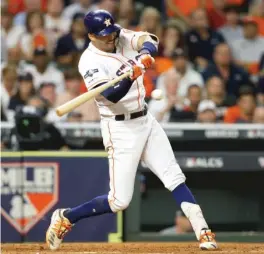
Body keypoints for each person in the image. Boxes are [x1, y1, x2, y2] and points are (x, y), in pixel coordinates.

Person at [46, 10, 218, 251]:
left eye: (111, 32)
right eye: (104, 35)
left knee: (174, 176)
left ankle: (203, 231)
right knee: (119, 201)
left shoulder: (119, 35)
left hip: (146, 120)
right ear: (91, 36)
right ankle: (67, 217)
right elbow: (111, 95)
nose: (110, 38)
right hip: (120, 128)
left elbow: (150, 40)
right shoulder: (89, 61)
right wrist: (130, 76)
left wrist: (145, 54)